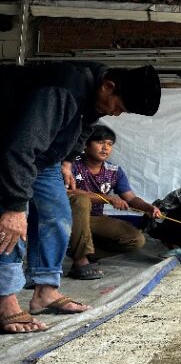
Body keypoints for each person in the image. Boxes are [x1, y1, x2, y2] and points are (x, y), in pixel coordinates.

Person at [0, 62, 161, 333]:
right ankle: (6, 301)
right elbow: (19, 148)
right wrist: (15, 207)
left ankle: (45, 291)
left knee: (59, 215)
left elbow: (85, 126)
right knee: (12, 226)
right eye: (119, 107)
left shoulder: (94, 92)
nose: (117, 114)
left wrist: (66, 160)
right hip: (13, 152)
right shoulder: (63, 89)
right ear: (109, 86)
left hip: (46, 159)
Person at [66, 124, 162, 280]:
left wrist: (148, 207)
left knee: (135, 240)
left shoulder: (114, 171)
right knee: (82, 200)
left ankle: (86, 254)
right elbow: (67, 192)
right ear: (86, 144)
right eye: (100, 142)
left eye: (109, 144)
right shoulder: (71, 164)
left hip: (93, 219)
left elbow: (130, 198)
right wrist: (108, 198)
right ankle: (80, 262)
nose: (105, 148)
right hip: (67, 217)